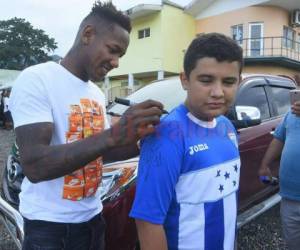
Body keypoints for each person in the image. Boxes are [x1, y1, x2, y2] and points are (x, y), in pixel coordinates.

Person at [9, 2, 163, 250]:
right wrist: (115, 133)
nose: (116, 63)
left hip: (93, 221)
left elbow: (99, 153)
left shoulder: (94, 92)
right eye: (113, 51)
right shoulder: (37, 79)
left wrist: (142, 141)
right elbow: (35, 165)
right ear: (88, 34)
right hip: (50, 228)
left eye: (120, 56)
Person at [130, 33, 243, 250]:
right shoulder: (166, 136)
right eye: (206, 80)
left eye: (228, 81)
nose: (218, 92)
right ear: (185, 80)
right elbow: (148, 221)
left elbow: (228, 203)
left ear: (239, 81)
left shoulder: (227, 127)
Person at [259, 101, 300, 250]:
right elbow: (279, 139)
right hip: (289, 197)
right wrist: (264, 165)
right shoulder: (291, 114)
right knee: (293, 243)